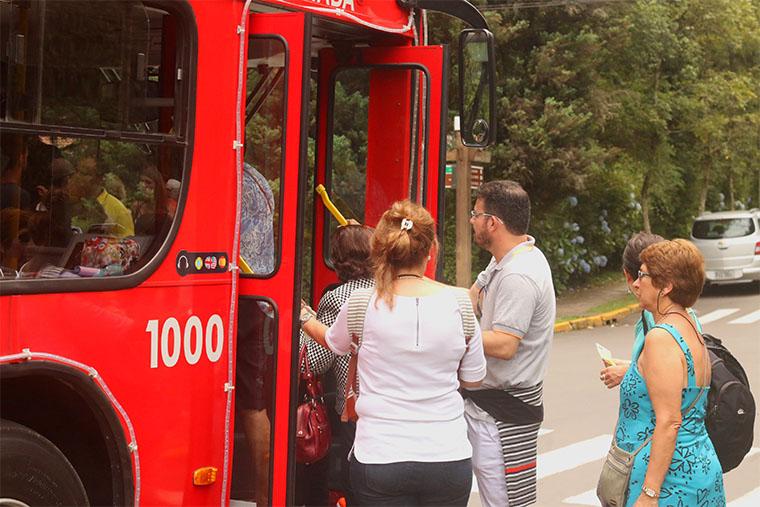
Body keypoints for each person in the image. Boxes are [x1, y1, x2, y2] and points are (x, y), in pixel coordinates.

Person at [301, 200, 486, 506]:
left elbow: (333, 342)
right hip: (448, 457)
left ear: (381, 251)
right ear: (432, 250)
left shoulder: (361, 302)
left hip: (380, 456)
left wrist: (306, 318)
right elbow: (474, 379)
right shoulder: (460, 304)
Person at [609, 239, 724, 505]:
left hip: (670, 480)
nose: (636, 284)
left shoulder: (661, 337)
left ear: (667, 286)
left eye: (644, 275)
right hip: (698, 466)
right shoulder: (690, 326)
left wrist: (649, 494)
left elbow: (669, 421)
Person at [463, 180, 555, 507]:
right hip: (483, 404)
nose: (471, 220)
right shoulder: (509, 256)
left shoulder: (519, 274)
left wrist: (452, 332)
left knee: (507, 501)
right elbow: (471, 297)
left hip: (502, 415)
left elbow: (504, 344)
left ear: (493, 223)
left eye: (476, 214)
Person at [297, 223, 374, 506]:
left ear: (340, 259)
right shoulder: (390, 290)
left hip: (354, 411)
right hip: (388, 406)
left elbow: (316, 360)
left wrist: (304, 318)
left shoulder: (338, 297)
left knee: (355, 486)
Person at [235, 161, 275, 507]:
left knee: (251, 405)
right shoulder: (257, 179)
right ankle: (264, 496)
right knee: (252, 403)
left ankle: (265, 497)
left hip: (244, 299)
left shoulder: (230, 178)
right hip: (259, 297)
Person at [69, 156, 134, 237]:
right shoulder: (70, 200)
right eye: (77, 171)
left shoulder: (119, 210)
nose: (78, 177)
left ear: (99, 178)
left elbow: (128, 243)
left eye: (84, 173)